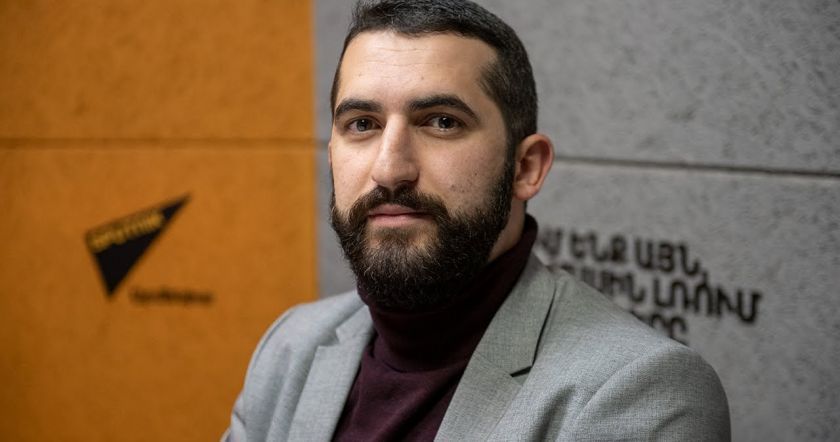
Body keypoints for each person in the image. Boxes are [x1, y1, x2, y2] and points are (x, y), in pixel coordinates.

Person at [223, 0, 730, 440]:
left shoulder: (640, 390)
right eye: (362, 124)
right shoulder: (291, 346)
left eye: (442, 122)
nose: (390, 169)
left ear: (525, 167)